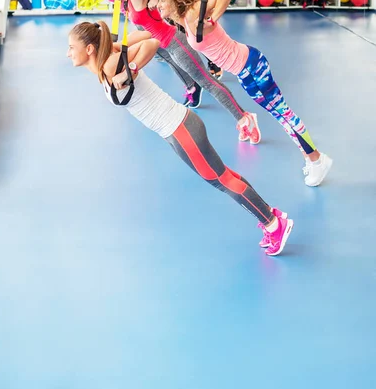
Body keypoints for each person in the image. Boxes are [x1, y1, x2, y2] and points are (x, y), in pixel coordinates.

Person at [67, 20, 294, 256]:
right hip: (176, 130)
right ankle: (270, 214)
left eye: (72, 47)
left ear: (89, 48)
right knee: (224, 175)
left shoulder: (112, 64)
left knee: (221, 180)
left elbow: (153, 42)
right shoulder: (109, 60)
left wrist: (131, 68)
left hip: (180, 128)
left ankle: (274, 224)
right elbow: (143, 35)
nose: (68, 52)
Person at [158, 0, 333, 187]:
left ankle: (316, 159)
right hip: (246, 68)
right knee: (279, 113)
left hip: (251, 69)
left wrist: (213, 16)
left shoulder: (195, 12)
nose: (159, 5)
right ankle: (311, 157)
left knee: (283, 114)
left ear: (175, 0)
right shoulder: (186, 18)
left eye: (162, 0)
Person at [85, 0, 260, 143]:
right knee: (202, 81)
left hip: (176, 42)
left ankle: (245, 118)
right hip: (168, 45)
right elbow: (147, 31)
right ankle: (223, 106)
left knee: (208, 82)